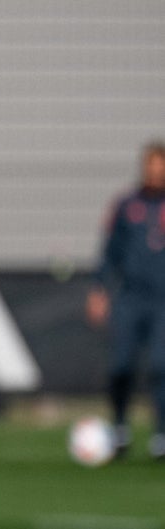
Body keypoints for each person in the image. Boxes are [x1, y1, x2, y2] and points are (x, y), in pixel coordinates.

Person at [86, 140, 165, 460]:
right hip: (130, 297)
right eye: (151, 167)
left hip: (162, 301)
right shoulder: (127, 205)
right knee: (121, 365)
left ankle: (161, 434)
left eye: (161, 168)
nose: (156, 173)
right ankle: (119, 427)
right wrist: (99, 288)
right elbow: (111, 251)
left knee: (161, 366)